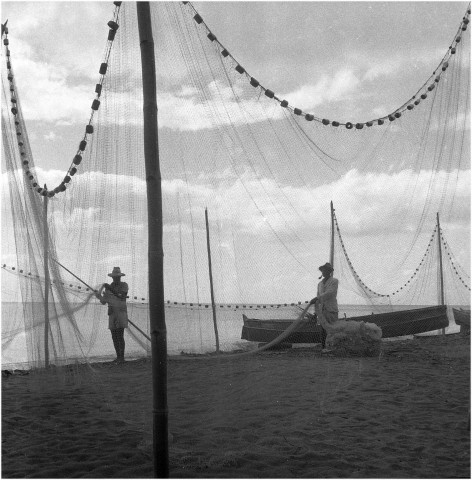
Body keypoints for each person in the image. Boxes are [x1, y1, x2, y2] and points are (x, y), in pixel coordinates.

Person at [96, 267, 129, 363]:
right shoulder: (109, 286)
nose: (116, 278)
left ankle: (122, 358)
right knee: (114, 335)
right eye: (114, 277)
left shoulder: (124, 285)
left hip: (121, 312)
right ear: (112, 277)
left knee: (120, 334)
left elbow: (121, 296)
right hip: (112, 312)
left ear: (120, 277)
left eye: (117, 277)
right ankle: (118, 357)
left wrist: (109, 288)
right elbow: (103, 302)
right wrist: (99, 296)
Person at [310, 262, 339, 353]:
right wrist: (316, 312)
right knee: (322, 329)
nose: (324, 272)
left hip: (331, 309)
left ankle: (332, 348)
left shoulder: (334, 281)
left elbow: (331, 293)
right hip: (322, 310)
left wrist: (317, 298)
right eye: (323, 270)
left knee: (332, 329)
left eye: (326, 270)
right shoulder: (319, 284)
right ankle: (323, 348)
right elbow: (318, 298)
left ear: (330, 272)